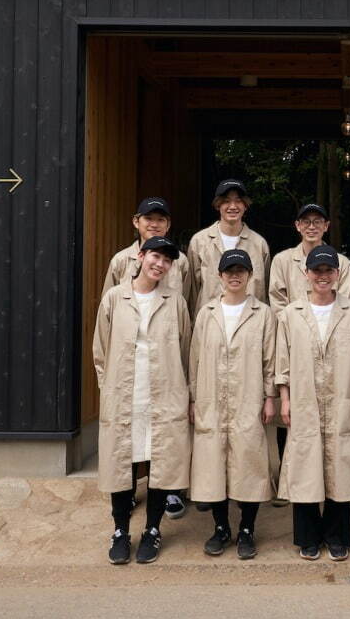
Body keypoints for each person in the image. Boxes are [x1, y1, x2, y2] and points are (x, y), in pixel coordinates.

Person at [93, 236, 193, 565]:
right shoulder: (114, 298)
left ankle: (152, 529)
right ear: (140, 255)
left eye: (166, 260)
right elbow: (100, 351)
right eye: (155, 256)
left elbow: (185, 350)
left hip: (164, 395)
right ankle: (121, 530)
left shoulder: (175, 301)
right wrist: (107, 391)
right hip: (125, 396)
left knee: (160, 464)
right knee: (121, 463)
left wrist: (185, 394)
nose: (159, 264)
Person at [276, 245, 350, 560]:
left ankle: (337, 535)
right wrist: (285, 399)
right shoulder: (291, 314)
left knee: (341, 465)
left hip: (344, 399)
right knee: (305, 464)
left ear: (338, 274)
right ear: (307, 274)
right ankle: (308, 536)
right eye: (317, 270)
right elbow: (283, 362)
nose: (323, 276)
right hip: (305, 401)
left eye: (329, 270)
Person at [189, 249, 277, 560]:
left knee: (248, 463)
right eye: (229, 271)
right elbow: (195, 358)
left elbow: (270, 358)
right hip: (212, 398)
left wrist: (269, 397)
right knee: (213, 464)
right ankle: (221, 527)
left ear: (250, 275)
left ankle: (247, 529)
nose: (235, 276)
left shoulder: (263, 313)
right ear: (220, 276)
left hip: (248, 397)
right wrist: (194, 396)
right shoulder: (207, 312)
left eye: (241, 270)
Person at [188, 179, 270, 314]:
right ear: (217, 205)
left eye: (238, 201)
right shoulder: (199, 242)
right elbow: (193, 291)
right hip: (210, 321)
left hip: (250, 321)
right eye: (226, 201)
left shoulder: (259, 244)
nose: (233, 206)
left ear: (245, 205)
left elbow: (265, 289)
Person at [104, 197, 195, 302]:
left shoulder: (180, 261)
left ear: (168, 225)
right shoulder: (120, 260)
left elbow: (186, 305)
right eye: (148, 218)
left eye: (160, 220)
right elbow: (107, 305)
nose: (154, 225)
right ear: (136, 222)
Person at [269, 203, 350, 311]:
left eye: (317, 221)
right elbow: (278, 304)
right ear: (297, 225)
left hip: (332, 326)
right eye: (306, 221)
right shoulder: (281, 261)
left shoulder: (343, 263)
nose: (311, 227)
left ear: (326, 226)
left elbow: (344, 304)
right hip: (293, 326)